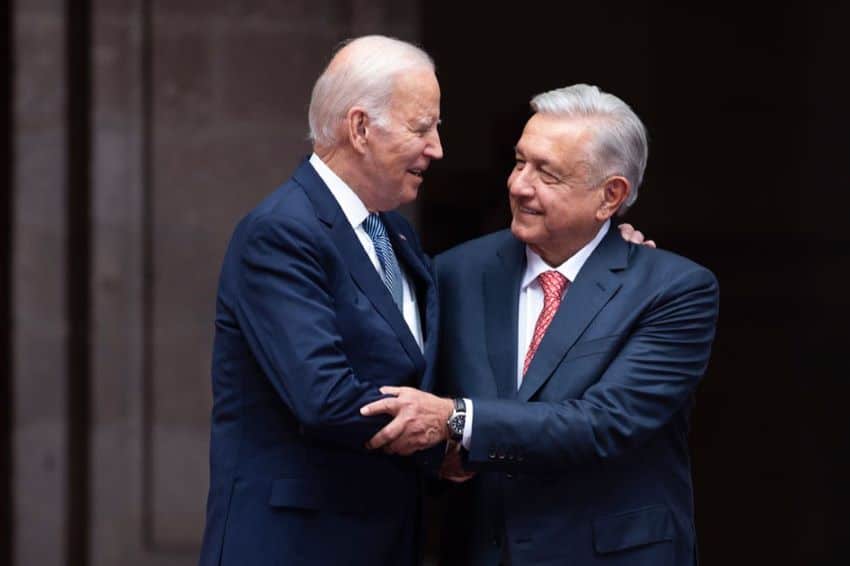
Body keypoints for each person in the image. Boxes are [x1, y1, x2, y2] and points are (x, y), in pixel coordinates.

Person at [362, 84, 719, 565]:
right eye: (519, 161)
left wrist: (458, 419)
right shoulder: (456, 273)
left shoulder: (673, 289)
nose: (518, 185)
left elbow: (604, 423)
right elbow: (416, 399)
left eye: (547, 173)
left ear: (609, 196)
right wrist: (439, 455)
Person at [198, 35, 450, 566]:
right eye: (421, 127)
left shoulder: (395, 235)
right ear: (360, 128)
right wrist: (446, 436)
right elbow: (325, 397)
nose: (437, 148)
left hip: (380, 538)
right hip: (296, 544)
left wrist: (600, 248)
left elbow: (440, 323)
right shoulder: (281, 232)